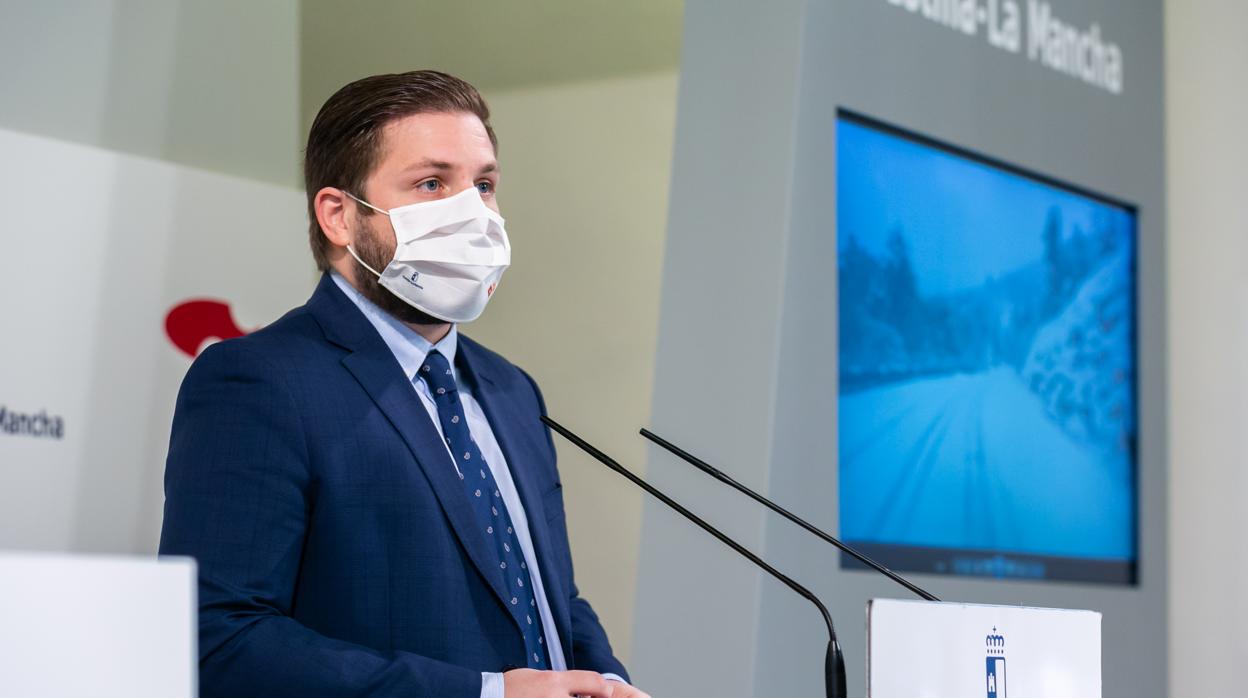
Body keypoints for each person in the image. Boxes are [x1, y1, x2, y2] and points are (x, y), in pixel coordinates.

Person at [158, 70, 648, 698]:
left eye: (485, 185)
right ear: (338, 215)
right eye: (432, 183)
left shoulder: (511, 389)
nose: (473, 213)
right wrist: (486, 694)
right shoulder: (260, 381)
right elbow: (220, 637)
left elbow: (546, 593)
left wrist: (604, 680)